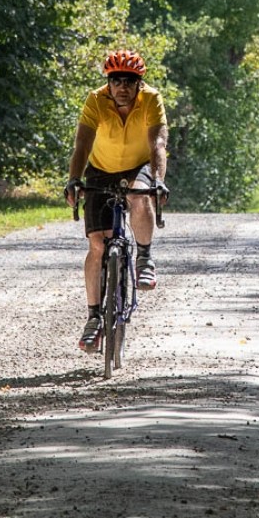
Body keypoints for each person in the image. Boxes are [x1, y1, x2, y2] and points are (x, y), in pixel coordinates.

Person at [64, 48, 168, 352]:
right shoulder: (96, 100)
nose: (122, 86)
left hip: (140, 165)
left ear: (139, 83)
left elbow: (158, 143)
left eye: (129, 80)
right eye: (116, 80)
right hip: (101, 168)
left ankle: (145, 257)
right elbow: (82, 144)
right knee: (97, 244)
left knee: (138, 195)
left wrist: (158, 181)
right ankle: (94, 316)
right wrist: (74, 179)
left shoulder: (151, 99)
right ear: (108, 83)